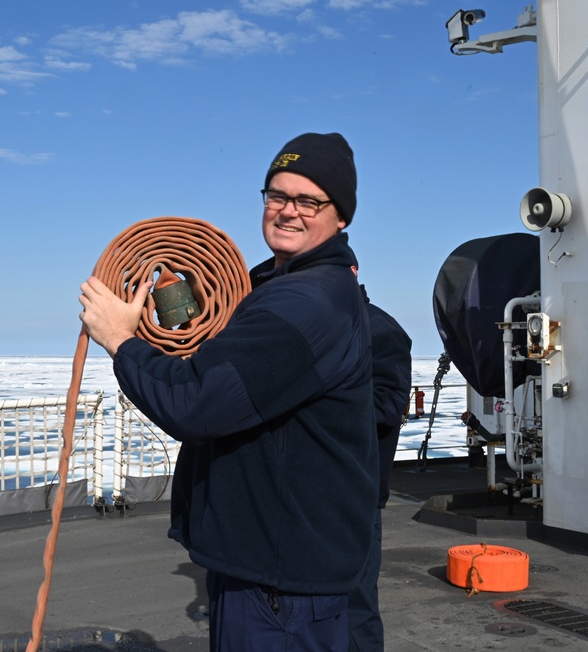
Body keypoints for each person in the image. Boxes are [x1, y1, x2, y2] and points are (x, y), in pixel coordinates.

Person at [79, 132, 378, 652]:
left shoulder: (307, 304)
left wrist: (121, 340)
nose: (288, 211)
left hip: (280, 582)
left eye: (309, 200)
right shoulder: (287, 290)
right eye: (277, 195)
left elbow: (196, 405)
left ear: (341, 216)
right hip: (275, 566)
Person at [347, 276, 413, 652]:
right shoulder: (314, 325)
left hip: (357, 490)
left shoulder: (380, 329)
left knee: (355, 604)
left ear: (351, 272)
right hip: (309, 491)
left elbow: (387, 407)